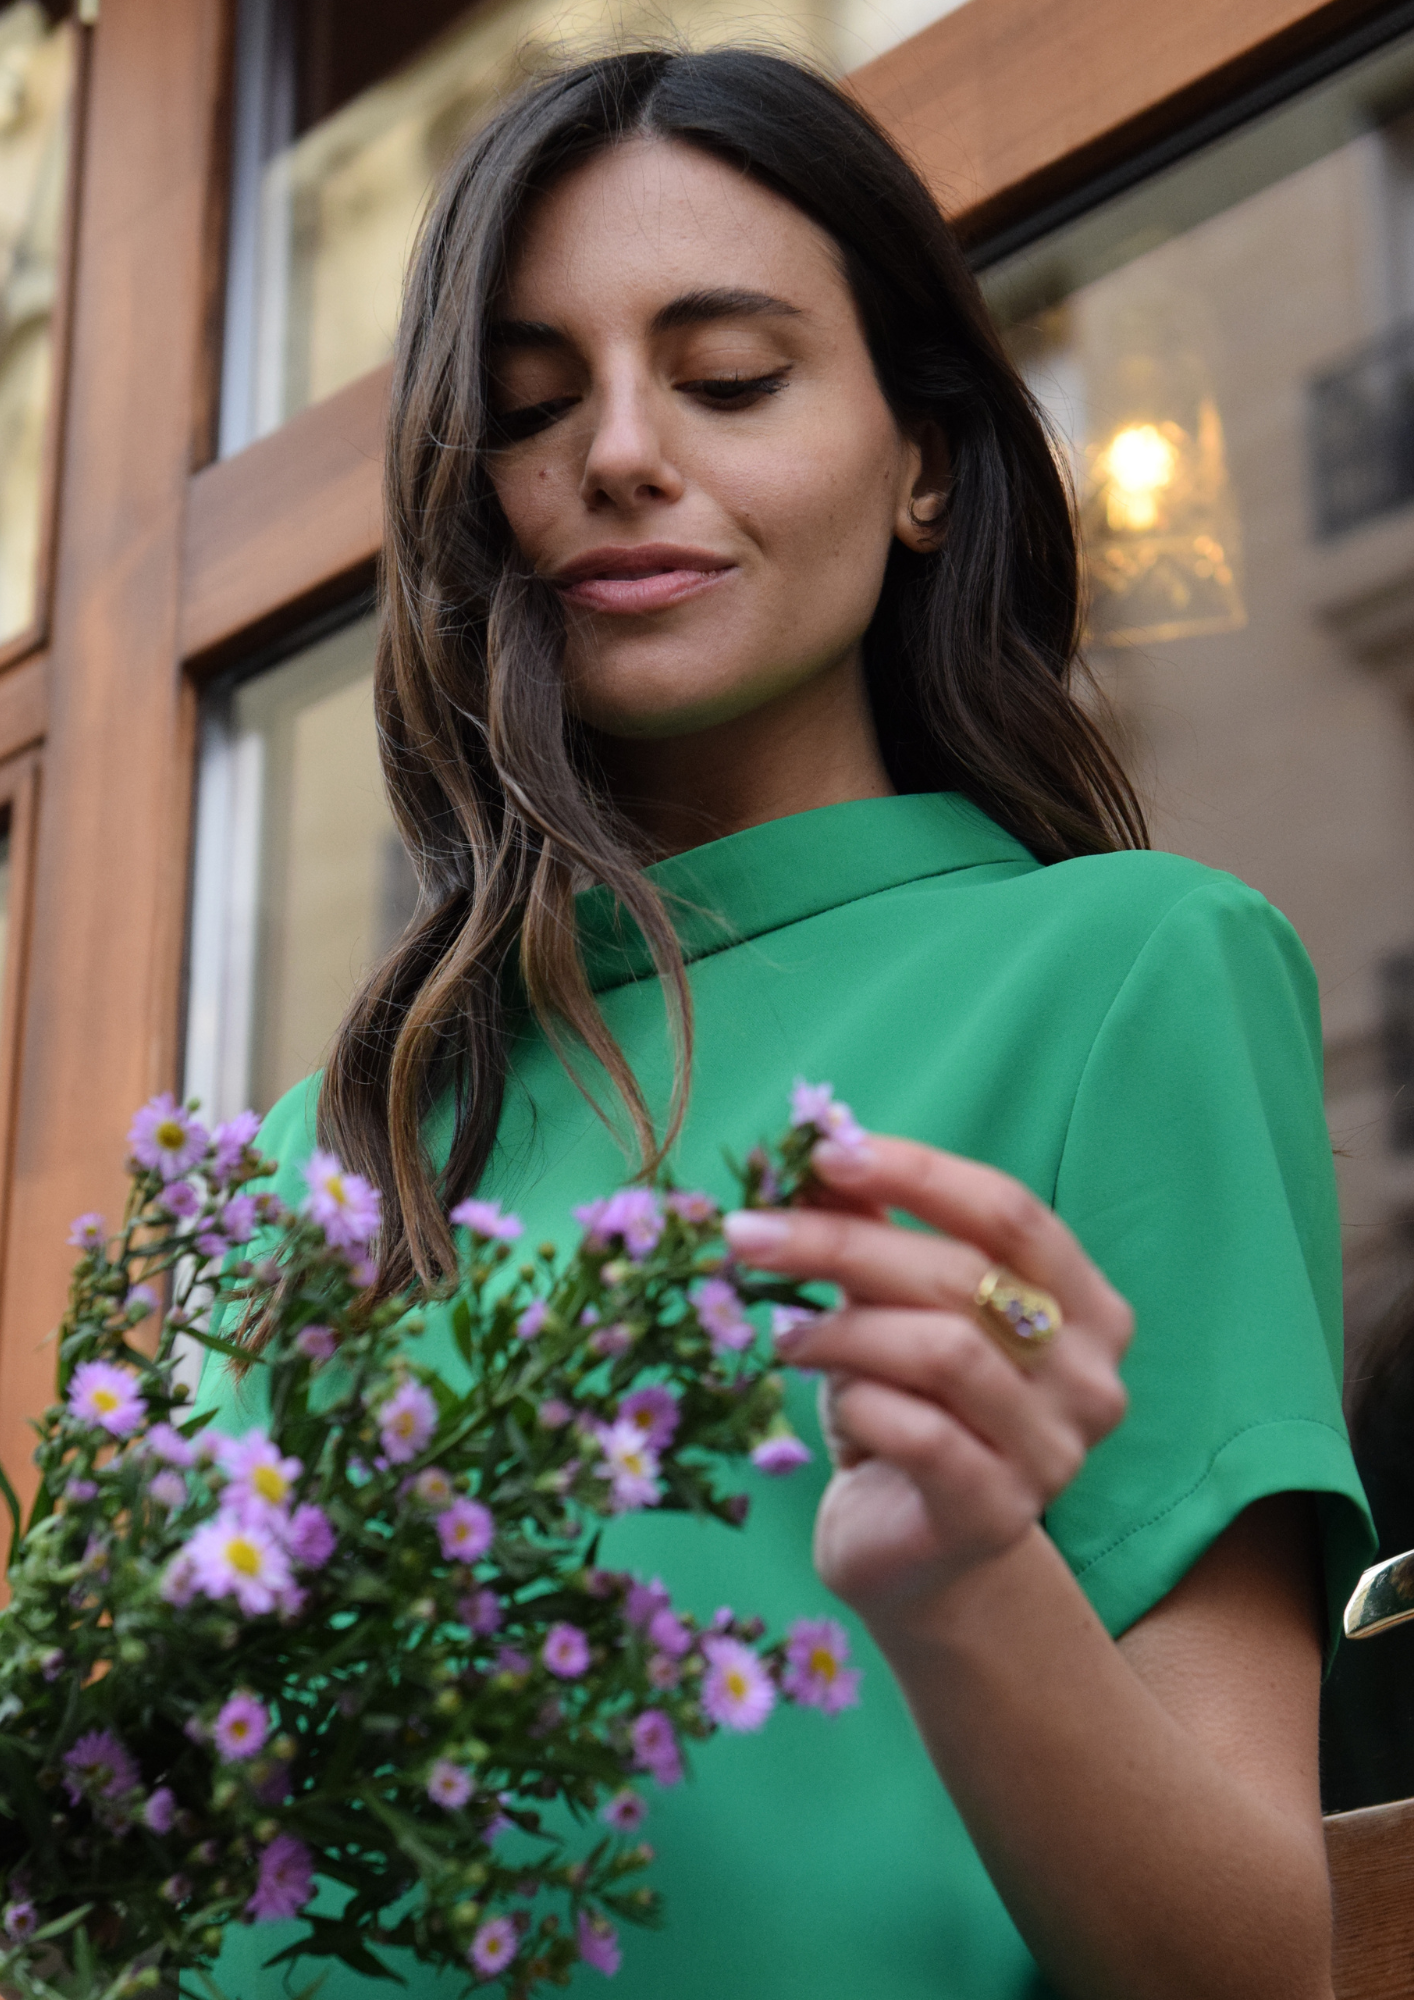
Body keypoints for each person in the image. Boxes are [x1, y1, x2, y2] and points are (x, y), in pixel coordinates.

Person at [202, 48, 1373, 2000]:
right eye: (526, 405)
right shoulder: (286, 1176)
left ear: (921, 456)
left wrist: (964, 1582)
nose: (622, 453)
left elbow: (1255, 1965)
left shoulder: (1120, 973)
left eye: (729, 377)